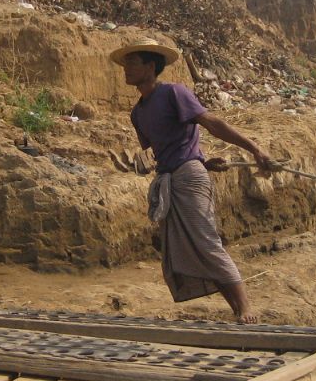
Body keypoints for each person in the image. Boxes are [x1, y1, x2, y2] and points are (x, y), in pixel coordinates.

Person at [112, 37, 278, 323]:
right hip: (173, 177)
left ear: (150, 67)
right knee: (190, 247)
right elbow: (162, 149)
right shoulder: (137, 113)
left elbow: (212, 123)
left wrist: (254, 149)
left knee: (205, 240)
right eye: (125, 64)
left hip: (188, 178)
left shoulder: (175, 93)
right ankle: (237, 309)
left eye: (133, 63)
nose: (126, 69)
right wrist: (202, 161)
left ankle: (244, 308)